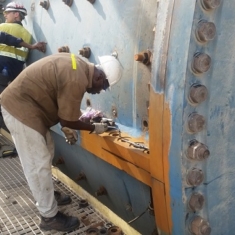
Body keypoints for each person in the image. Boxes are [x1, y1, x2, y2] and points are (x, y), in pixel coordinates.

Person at [0, 52, 122, 232]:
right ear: (98, 76)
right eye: (102, 86)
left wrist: (83, 119)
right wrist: (94, 128)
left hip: (32, 109)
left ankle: (47, 197)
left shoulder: (80, 66)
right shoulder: (77, 79)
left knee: (47, 150)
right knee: (37, 164)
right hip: (20, 110)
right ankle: (49, 218)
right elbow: (67, 121)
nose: (99, 91)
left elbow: (65, 103)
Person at [0, 2, 46, 81]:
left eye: (7, 12)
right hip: (14, 77)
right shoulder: (28, 35)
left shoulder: (2, 27)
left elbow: (5, 37)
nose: (5, 15)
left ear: (16, 14)